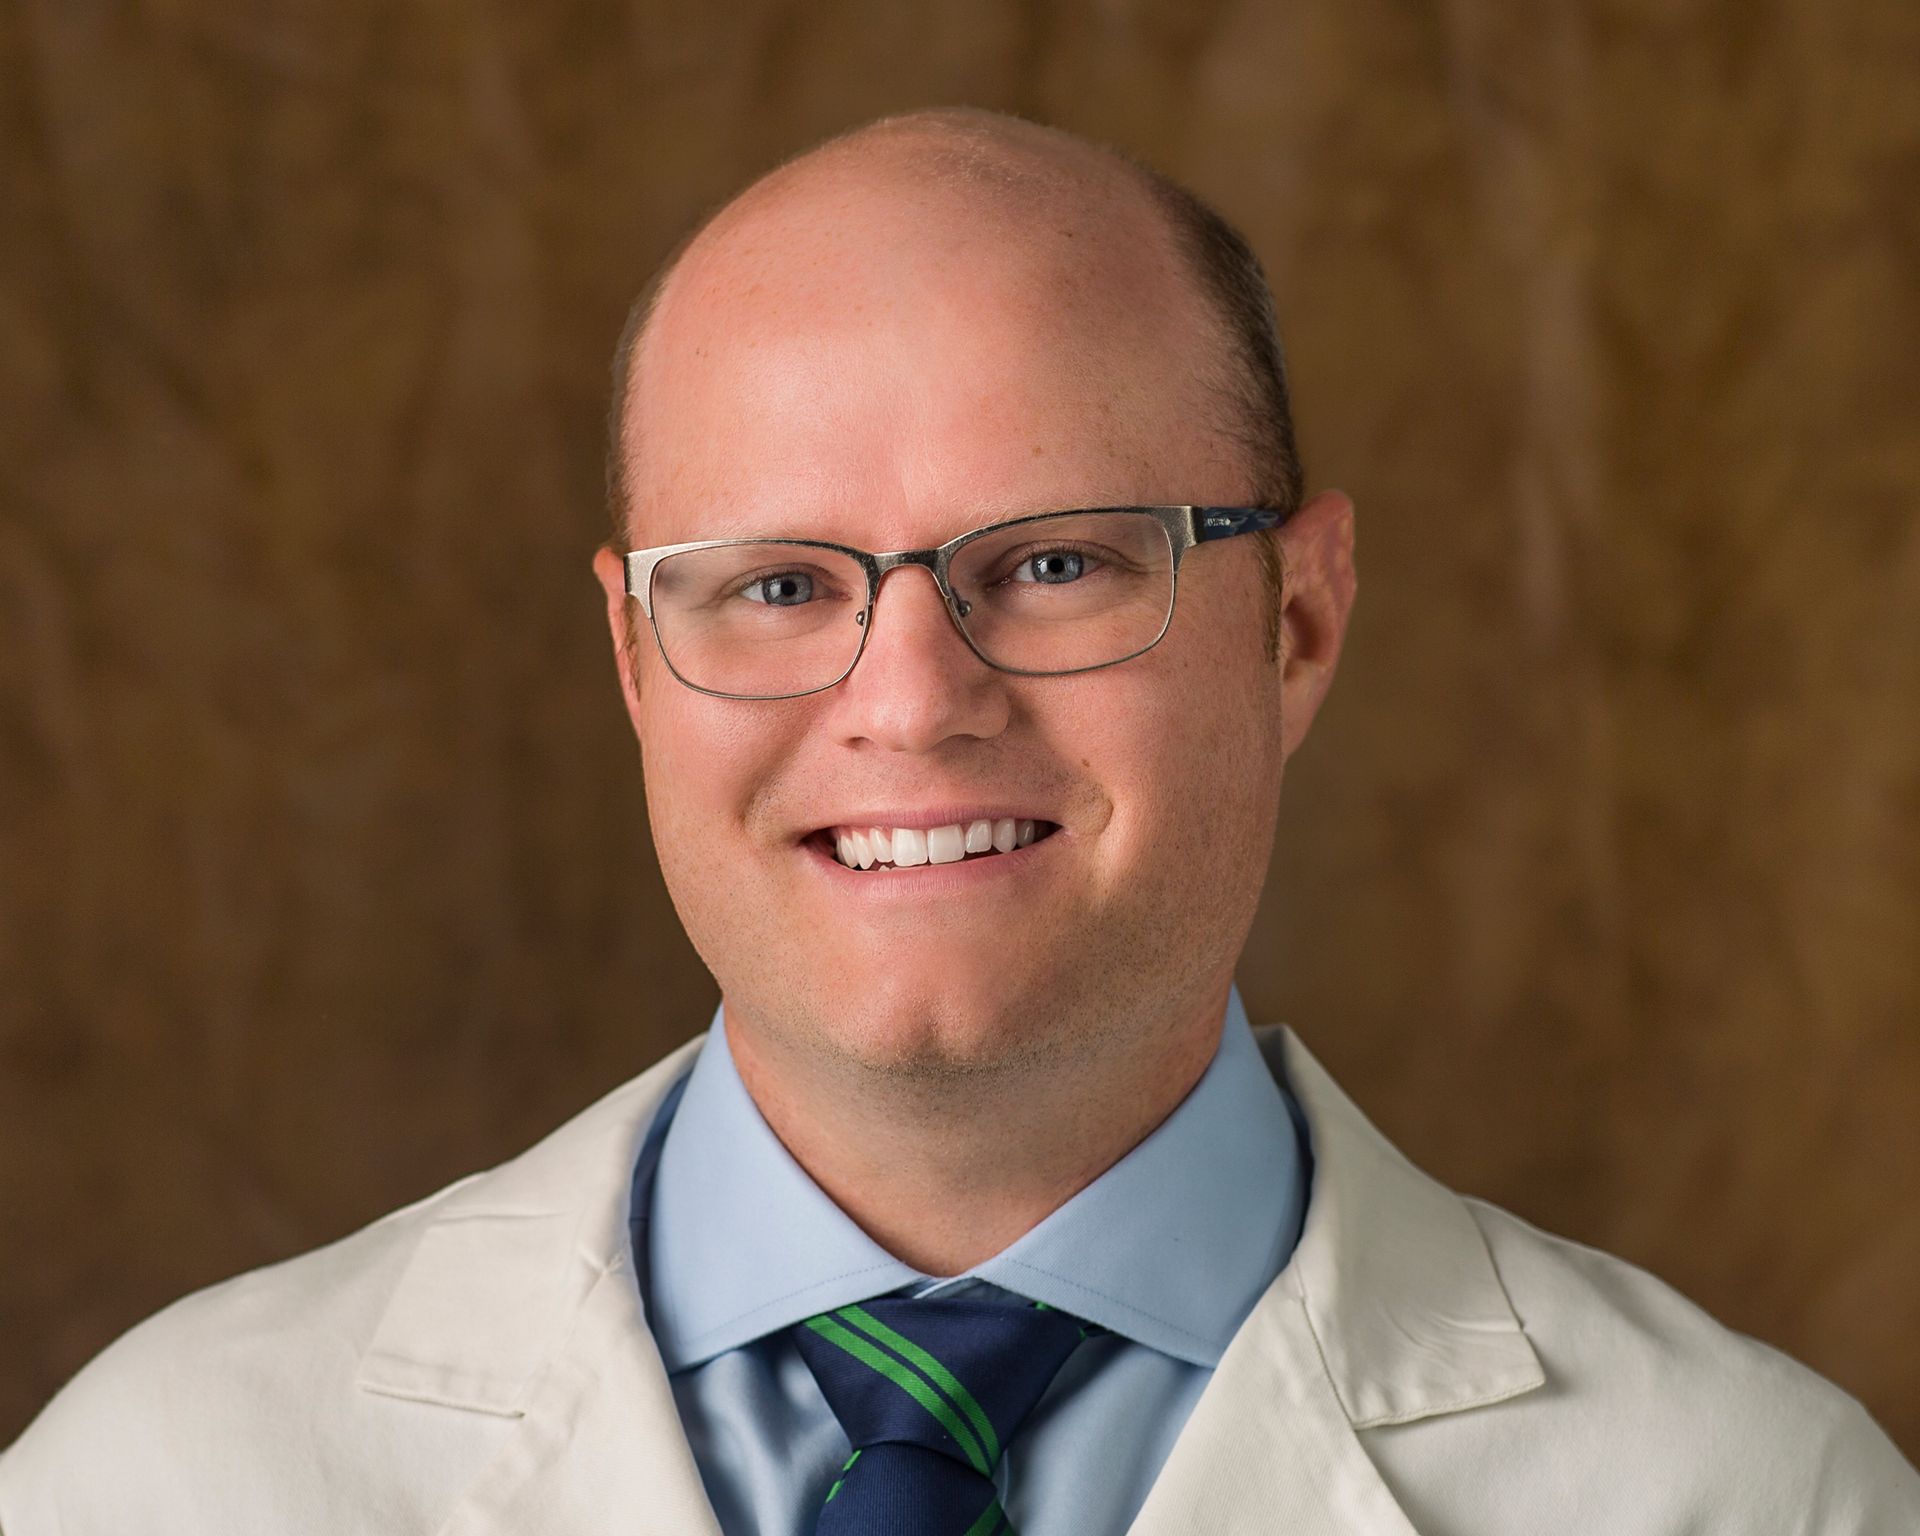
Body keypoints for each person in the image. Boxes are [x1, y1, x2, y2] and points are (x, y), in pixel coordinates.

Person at [2, 106, 1914, 1536]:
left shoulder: (1750, 1497)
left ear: (1300, 622)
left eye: (1061, 561)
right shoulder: (162, 1480)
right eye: (772, 589)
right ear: (630, 655)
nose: (910, 698)